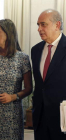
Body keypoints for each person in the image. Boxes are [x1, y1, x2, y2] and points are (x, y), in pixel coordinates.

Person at [31, 9, 66, 140]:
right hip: (40, 116)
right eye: (38, 25)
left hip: (62, 117)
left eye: (43, 24)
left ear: (57, 25)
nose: (39, 29)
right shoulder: (35, 50)